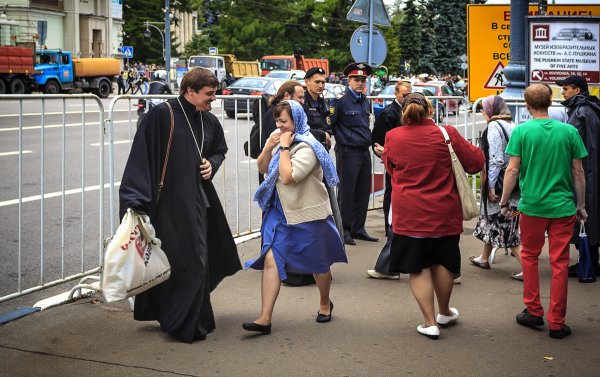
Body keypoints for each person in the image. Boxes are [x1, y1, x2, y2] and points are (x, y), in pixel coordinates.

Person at [119, 68, 242, 342]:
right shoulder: (162, 115)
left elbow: (220, 150)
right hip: (165, 206)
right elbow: (141, 157)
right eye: (209, 94)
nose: (214, 99)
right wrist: (135, 202)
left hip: (197, 204)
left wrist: (213, 164)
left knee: (197, 263)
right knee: (172, 265)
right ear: (190, 91)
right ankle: (179, 320)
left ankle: (187, 322)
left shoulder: (209, 121)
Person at [383, 93, 484, 340]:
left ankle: (429, 323)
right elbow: (475, 162)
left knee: (417, 268)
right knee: (443, 262)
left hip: (409, 215)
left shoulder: (393, 136)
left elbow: (390, 167)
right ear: (430, 110)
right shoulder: (446, 133)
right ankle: (445, 311)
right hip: (443, 213)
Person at [243, 100, 347, 334]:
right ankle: (265, 318)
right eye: (277, 121)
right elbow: (262, 168)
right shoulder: (279, 138)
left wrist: (284, 148)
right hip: (279, 211)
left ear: (297, 120)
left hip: (307, 212)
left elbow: (289, 177)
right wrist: (268, 147)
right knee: (271, 259)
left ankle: (324, 303)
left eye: (284, 121)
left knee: (318, 264)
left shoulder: (309, 146)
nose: (280, 126)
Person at [499, 83, 587, 339]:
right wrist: (581, 206)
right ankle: (557, 322)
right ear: (550, 102)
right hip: (563, 207)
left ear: (527, 105)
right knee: (560, 263)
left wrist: (504, 202)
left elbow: (513, 170)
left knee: (530, 256)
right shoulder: (568, 132)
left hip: (533, 206)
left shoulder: (522, 131)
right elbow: (578, 172)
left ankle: (533, 310)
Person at [470, 95, 523, 281]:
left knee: (505, 226)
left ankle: (527, 268)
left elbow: (496, 159)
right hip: (513, 184)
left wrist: (491, 186)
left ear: (492, 110)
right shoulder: (513, 125)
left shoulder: (494, 126)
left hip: (499, 185)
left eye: (484, 109)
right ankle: (484, 258)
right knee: (494, 220)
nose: (483, 112)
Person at [366, 81, 412, 280]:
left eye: (409, 94)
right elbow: (377, 140)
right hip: (393, 163)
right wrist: (387, 158)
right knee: (391, 199)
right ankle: (389, 230)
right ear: (396, 93)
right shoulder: (388, 113)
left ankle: (392, 256)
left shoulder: (411, 112)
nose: (407, 98)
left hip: (405, 165)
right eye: (404, 94)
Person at [556, 75, 600, 279]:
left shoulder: (581, 111)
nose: (563, 93)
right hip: (591, 170)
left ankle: (587, 263)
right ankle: (590, 260)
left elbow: (579, 146)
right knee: (590, 216)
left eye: (566, 89)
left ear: (577, 90)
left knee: (585, 215)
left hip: (586, 172)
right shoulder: (590, 107)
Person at [331, 62, 379, 246]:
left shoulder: (364, 100)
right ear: (348, 80)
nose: (360, 83)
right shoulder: (341, 102)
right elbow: (331, 124)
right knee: (347, 192)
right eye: (356, 79)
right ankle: (344, 230)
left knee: (362, 191)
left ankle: (359, 228)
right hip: (348, 151)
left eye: (363, 80)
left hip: (363, 151)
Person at [302, 67, 333, 150]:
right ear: (306, 81)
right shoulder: (301, 103)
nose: (321, 85)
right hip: (307, 148)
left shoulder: (324, 102)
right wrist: (322, 135)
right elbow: (300, 130)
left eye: (323, 82)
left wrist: (327, 134)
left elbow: (328, 126)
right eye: (317, 82)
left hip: (323, 148)